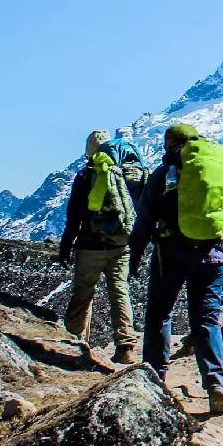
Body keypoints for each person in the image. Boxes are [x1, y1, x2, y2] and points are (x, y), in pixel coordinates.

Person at [130, 122, 223, 415]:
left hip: (172, 253)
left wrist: (135, 255)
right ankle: (216, 384)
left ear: (170, 145)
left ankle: (154, 378)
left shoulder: (163, 174)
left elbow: (144, 219)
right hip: (213, 254)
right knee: (206, 320)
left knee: (159, 314)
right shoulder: (218, 169)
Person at [59, 130, 144, 364]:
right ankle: (126, 346)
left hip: (90, 244)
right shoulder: (129, 174)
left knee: (84, 291)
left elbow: (74, 216)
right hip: (121, 244)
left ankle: (75, 342)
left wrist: (66, 245)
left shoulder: (87, 176)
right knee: (120, 291)